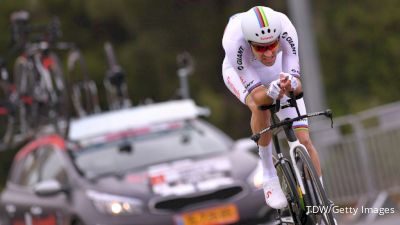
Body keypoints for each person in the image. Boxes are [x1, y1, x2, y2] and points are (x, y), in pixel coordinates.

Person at [222, 6, 324, 209]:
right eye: (260, 48)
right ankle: (268, 173)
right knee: (260, 107)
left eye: (272, 45)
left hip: (278, 70)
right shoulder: (234, 42)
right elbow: (260, 98)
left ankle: (321, 201)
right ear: (250, 43)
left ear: (278, 37)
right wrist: (270, 93)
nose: (268, 52)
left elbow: (297, 85)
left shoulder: (286, 28)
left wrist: (291, 84)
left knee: (304, 140)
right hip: (240, 71)